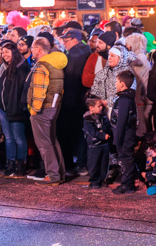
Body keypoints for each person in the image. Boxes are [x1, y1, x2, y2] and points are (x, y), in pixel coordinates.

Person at [27, 36, 67, 184]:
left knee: (44, 144)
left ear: (38, 49)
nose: (31, 51)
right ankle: (59, 173)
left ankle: (53, 175)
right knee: (52, 140)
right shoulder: (56, 64)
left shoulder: (42, 65)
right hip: (54, 106)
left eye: (32, 48)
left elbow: (39, 91)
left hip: (43, 109)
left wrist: (34, 110)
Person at [57, 27, 90, 176]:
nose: (64, 43)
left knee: (71, 133)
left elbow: (69, 78)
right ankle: (82, 163)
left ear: (75, 40)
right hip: (82, 100)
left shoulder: (74, 54)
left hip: (72, 100)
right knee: (81, 132)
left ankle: (73, 164)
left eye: (66, 40)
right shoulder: (86, 51)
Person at [0, 40, 31, 177]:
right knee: (9, 138)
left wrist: (20, 106)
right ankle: (10, 163)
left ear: (14, 52)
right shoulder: (3, 67)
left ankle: (20, 164)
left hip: (16, 108)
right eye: (3, 52)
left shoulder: (21, 68)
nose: (4, 55)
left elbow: (22, 90)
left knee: (19, 138)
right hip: (4, 108)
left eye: (7, 52)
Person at [110, 69, 138, 194]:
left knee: (126, 160)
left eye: (117, 81)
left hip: (125, 136)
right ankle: (127, 183)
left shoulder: (124, 100)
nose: (115, 84)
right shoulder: (125, 98)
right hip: (125, 135)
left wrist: (117, 138)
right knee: (126, 159)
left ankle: (128, 185)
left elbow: (121, 121)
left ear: (122, 84)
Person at [83, 97, 112, 189]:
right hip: (94, 145)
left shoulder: (103, 117)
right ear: (91, 108)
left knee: (104, 163)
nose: (101, 108)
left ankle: (102, 179)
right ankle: (94, 181)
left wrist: (102, 132)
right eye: (99, 106)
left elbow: (107, 127)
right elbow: (92, 132)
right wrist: (102, 135)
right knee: (94, 164)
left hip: (104, 145)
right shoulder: (87, 119)